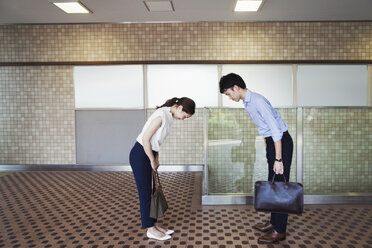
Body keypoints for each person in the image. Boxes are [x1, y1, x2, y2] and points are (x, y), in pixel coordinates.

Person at [219, 73, 294, 244]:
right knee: (273, 183)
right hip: (272, 142)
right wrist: (266, 143)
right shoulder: (248, 102)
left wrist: (278, 158)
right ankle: (274, 222)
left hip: (281, 142)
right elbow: (266, 127)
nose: (230, 98)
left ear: (236, 88)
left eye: (229, 94)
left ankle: (280, 230)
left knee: (280, 186)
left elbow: (276, 130)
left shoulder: (257, 101)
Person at [129, 97, 196, 241]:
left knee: (152, 191)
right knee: (146, 193)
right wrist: (152, 160)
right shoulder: (161, 115)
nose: (183, 119)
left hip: (149, 153)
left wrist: (156, 158)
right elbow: (146, 139)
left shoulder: (168, 115)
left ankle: (154, 224)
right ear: (179, 108)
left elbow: (155, 141)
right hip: (140, 154)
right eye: (185, 116)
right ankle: (150, 229)